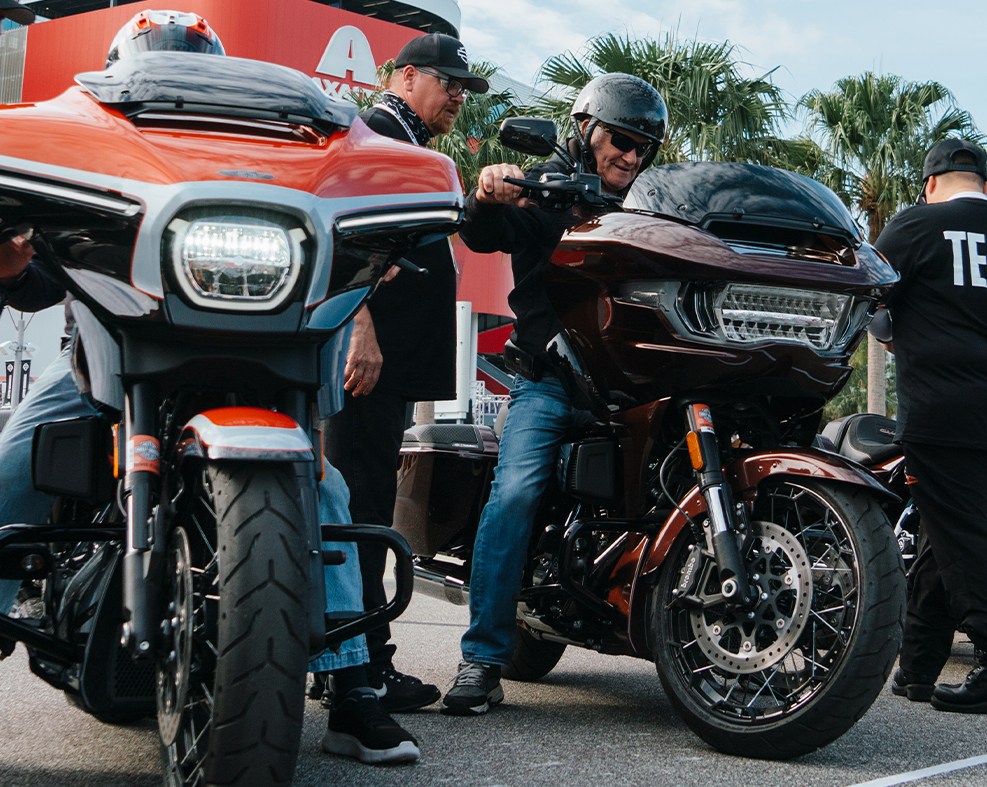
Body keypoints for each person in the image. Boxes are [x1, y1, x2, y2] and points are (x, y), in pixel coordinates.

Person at [0, 10, 419, 764]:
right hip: (113, 360)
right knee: (10, 464)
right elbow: (35, 277)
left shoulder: (264, 146)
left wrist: (376, 233)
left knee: (325, 492)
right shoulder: (99, 145)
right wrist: (15, 247)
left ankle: (354, 691)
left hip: (260, 360)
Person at [443, 73, 667, 716]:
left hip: (629, 389)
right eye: (622, 140)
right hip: (551, 382)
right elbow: (484, 234)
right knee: (513, 494)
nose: (632, 156)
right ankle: (482, 658)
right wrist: (489, 192)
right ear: (585, 130)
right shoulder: (546, 189)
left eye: (643, 148)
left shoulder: (645, 205)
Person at [318, 32, 488, 713]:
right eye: (447, 81)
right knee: (360, 508)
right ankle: (361, 670)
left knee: (361, 503)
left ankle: (346, 661)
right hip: (369, 365)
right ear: (405, 75)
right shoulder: (377, 133)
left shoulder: (404, 141)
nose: (457, 95)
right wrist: (360, 326)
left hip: (386, 366)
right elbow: (343, 233)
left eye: (464, 88)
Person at [874, 138, 987, 715]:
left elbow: (875, 315)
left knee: (962, 543)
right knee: (950, 537)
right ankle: (919, 667)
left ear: (930, 183)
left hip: (941, 408)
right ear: (983, 181)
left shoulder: (912, 228)